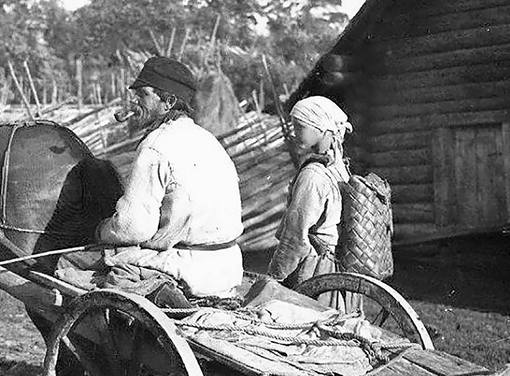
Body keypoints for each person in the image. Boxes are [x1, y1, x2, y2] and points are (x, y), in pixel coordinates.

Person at [58, 55, 245, 304]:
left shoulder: (156, 146)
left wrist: (101, 229)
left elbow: (133, 227)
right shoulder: (208, 141)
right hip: (227, 267)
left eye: (143, 95)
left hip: (186, 268)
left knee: (67, 262)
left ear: (167, 102)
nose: (135, 102)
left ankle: (101, 336)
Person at [267, 95, 352, 289]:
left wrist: (274, 277)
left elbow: (295, 236)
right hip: (336, 267)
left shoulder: (313, 175)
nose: (294, 133)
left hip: (314, 270)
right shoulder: (339, 169)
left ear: (321, 128)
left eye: (300, 127)